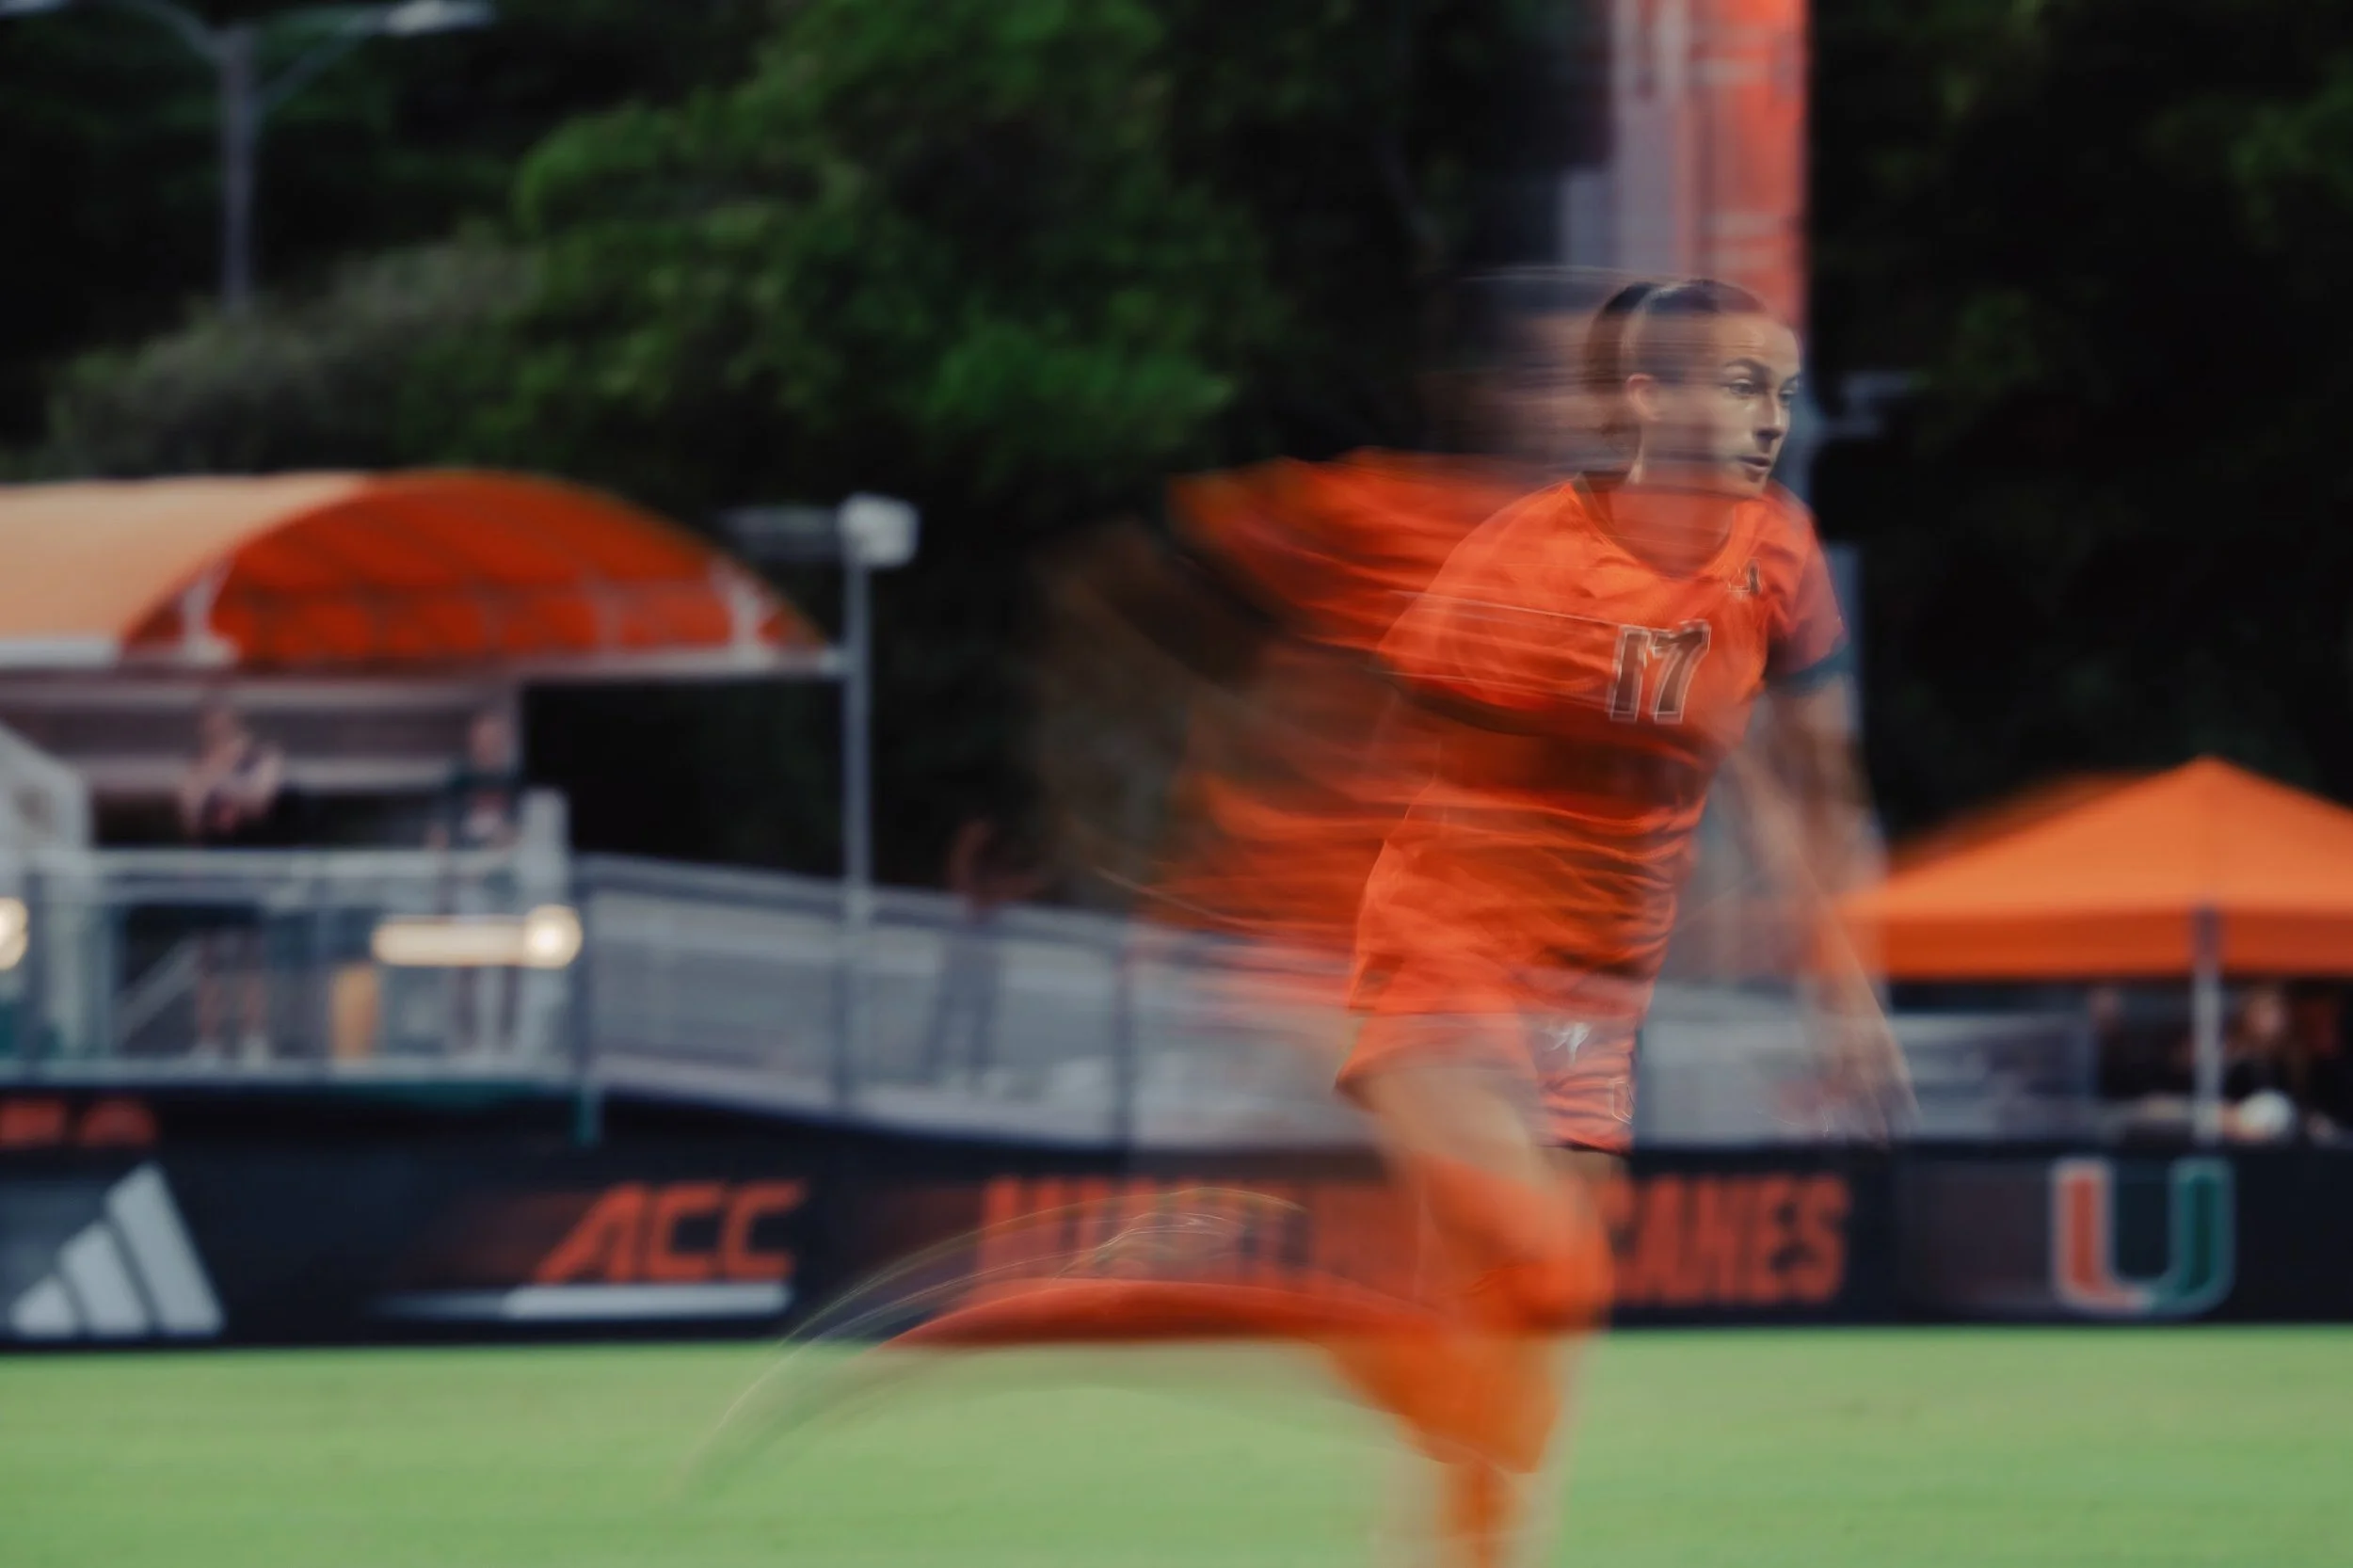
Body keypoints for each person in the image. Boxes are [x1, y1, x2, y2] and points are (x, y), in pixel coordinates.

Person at [176, 698, 290, 1062]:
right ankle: (208, 1042)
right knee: (207, 960)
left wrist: (223, 780)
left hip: (249, 870)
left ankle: (253, 1037)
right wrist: (216, 776)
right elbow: (190, 814)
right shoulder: (200, 764)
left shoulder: (261, 757)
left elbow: (260, 799)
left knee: (250, 956)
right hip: (209, 874)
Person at [919, 815, 1045, 1087]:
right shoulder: (974, 886)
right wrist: (967, 844)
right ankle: (933, 1070)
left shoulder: (995, 881)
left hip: (984, 962)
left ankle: (973, 1074)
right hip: (962, 959)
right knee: (949, 1017)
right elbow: (972, 887)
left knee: (978, 1022)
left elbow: (1010, 889)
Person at [427, 709, 524, 1057]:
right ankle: (466, 1042)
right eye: (483, 735)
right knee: (468, 965)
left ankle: (506, 1041)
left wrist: (484, 863)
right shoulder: (459, 781)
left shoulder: (514, 781)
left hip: (504, 886)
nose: (488, 743)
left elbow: (516, 833)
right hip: (465, 887)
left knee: (512, 964)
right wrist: (450, 874)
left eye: (495, 736)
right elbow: (438, 834)